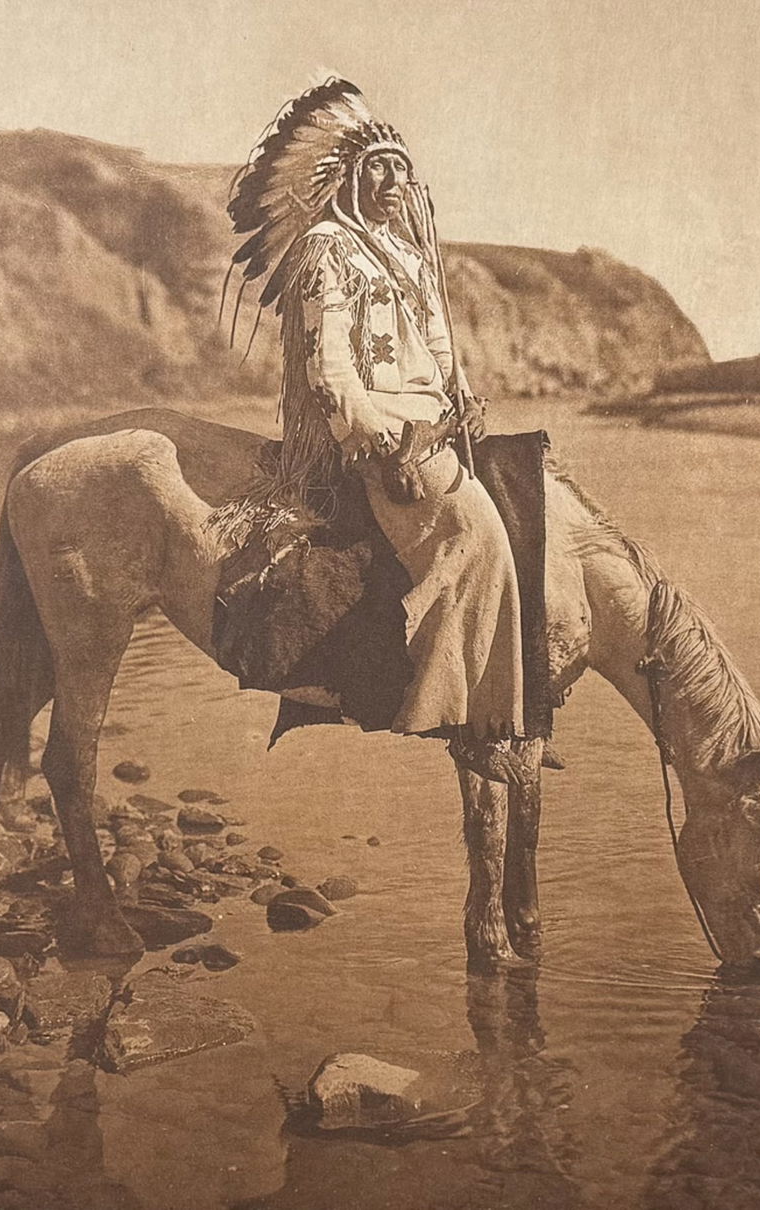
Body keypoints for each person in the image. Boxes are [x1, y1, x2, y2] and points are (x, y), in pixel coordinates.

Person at [226, 79, 524, 739]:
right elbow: (327, 366)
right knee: (479, 538)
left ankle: (500, 703)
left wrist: (462, 395)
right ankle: (451, 713)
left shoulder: (412, 256)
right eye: (377, 167)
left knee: (522, 523)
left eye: (400, 167)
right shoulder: (328, 247)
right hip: (379, 437)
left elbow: (439, 345)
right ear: (351, 178)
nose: (392, 179)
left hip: (434, 426)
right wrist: (382, 448)